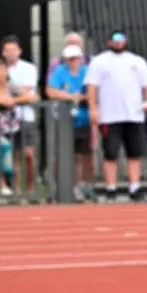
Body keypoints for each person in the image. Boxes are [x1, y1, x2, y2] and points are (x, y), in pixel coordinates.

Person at [85, 31, 147, 203]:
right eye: (115, 40)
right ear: (109, 41)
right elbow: (92, 87)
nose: (118, 43)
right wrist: (93, 108)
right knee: (110, 153)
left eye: (121, 39)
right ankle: (111, 188)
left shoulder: (137, 61)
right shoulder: (99, 61)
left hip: (134, 115)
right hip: (109, 116)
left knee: (135, 153)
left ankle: (134, 187)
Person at [0, 58, 36, 195]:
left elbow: (29, 96)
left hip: (8, 126)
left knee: (5, 155)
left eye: (4, 70)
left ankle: (3, 187)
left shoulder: (11, 84)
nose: (2, 73)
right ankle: (4, 181)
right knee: (4, 148)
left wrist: (13, 100)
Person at [47, 45, 95, 202]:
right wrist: (68, 96)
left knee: (85, 154)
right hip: (64, 120)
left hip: (83, 118)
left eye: (76, 58)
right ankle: (59, 186)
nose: (74, 61)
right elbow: (51, 91)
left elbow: (92, 91)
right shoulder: (60, 71)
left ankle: (84, 186)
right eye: (70, 59)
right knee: (63, 154)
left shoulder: (86, 71)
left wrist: (81, 97)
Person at [1, 35, 39, 194]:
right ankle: (15, 191)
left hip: (25, 116)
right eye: (8, 50)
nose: (11, 53)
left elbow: (27, 91)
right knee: (13, 155)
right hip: (6, 118)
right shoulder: (0, 69)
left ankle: (30, 190)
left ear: (19, 51)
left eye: (14, 50)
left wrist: (10, 97)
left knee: (29, 154)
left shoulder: (29, 68)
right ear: (3, 52)